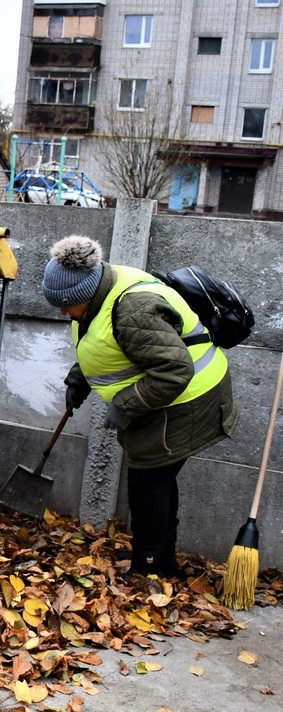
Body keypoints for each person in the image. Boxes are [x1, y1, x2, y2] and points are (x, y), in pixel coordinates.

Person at [41, 235, 238, 575]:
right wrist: (80, 379)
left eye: (65, 305)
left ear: (84, 295)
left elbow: (174, 371)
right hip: (169, 399)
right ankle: (161, 559)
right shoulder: (99, 295)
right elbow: (108, 346)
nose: (62, 312)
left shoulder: (133, 310)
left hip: (189, 399)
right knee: (158, 480)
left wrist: (126, 406)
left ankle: (148, 565)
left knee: (148, 484)